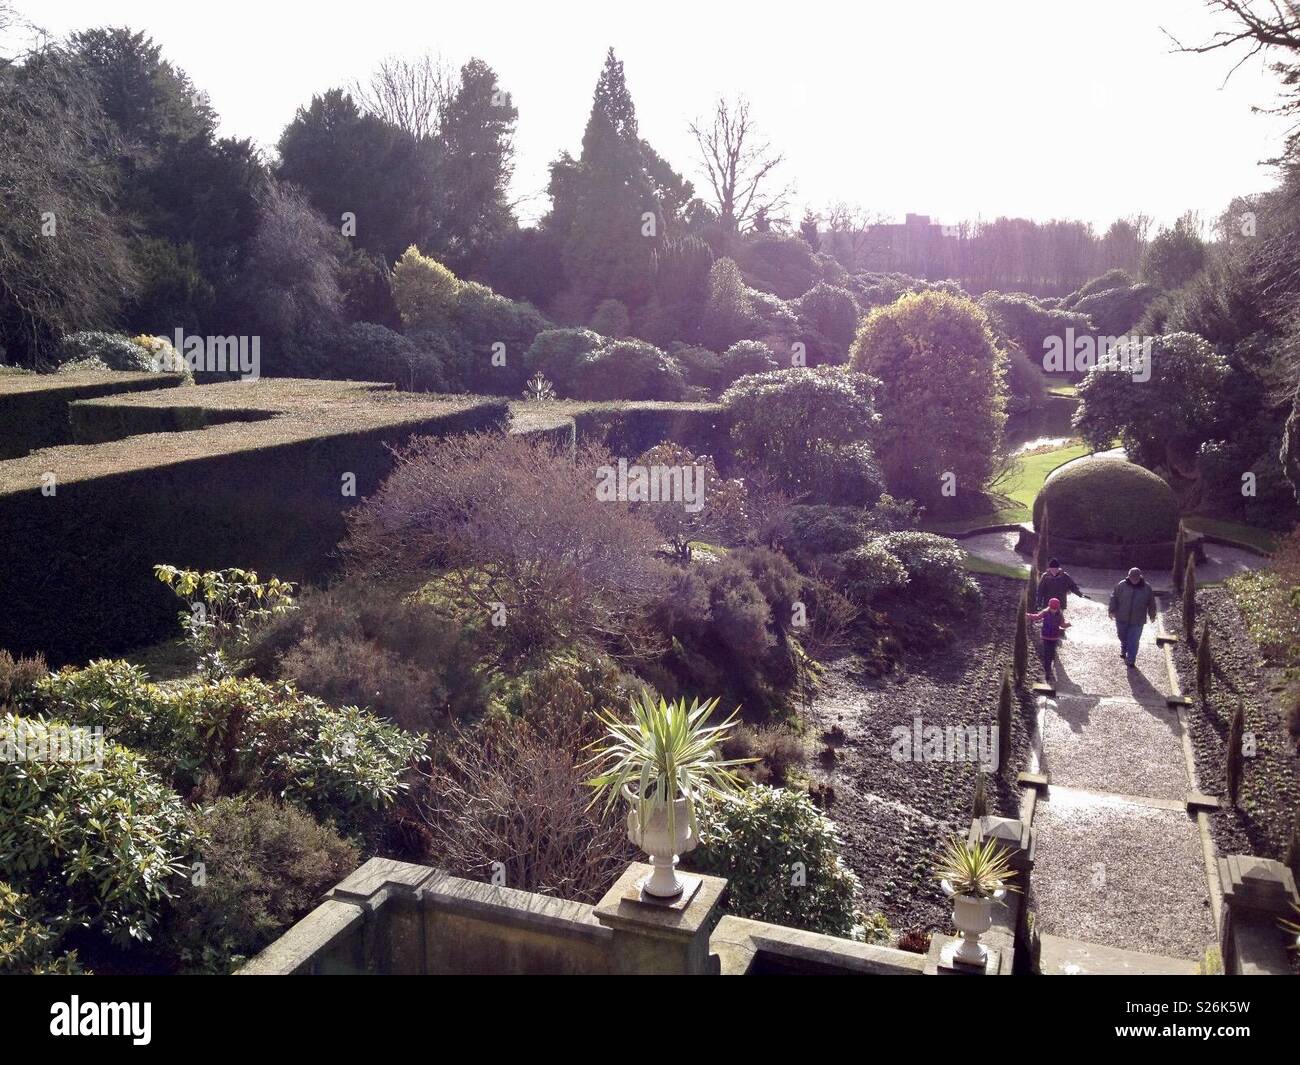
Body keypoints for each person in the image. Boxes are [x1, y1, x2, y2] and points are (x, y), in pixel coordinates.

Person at [1108, 567, 1157, 668]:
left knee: (1133, 640)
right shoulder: (1121, 585)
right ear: (1128, 576)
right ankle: (1124, 648)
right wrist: (1111, 610)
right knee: (1122, 636)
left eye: (1136, 578)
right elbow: (1114, 597)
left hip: (1138, 620)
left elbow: (1151, 602)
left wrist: (1152, 614)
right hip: (1121, 617)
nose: (1134, 580)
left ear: (1140, 577)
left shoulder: (1146, 588)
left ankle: (1131, 660)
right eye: (1132, 578)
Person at [1026, 596, 1071, 681]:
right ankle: (1047, 671)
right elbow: (1037, 617)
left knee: (1052, 654)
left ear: (1058, 608)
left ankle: (1050, 666)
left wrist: (1068, 624)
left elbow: (1062, 625)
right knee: (1047, 654)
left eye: (1055, 609)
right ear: (1049, 607)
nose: (1054, 610)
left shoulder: (1060, 614)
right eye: (1052, 608)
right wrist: (1028, 615)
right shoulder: (1045, 612)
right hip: (1046, 636)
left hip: (1054, 637)